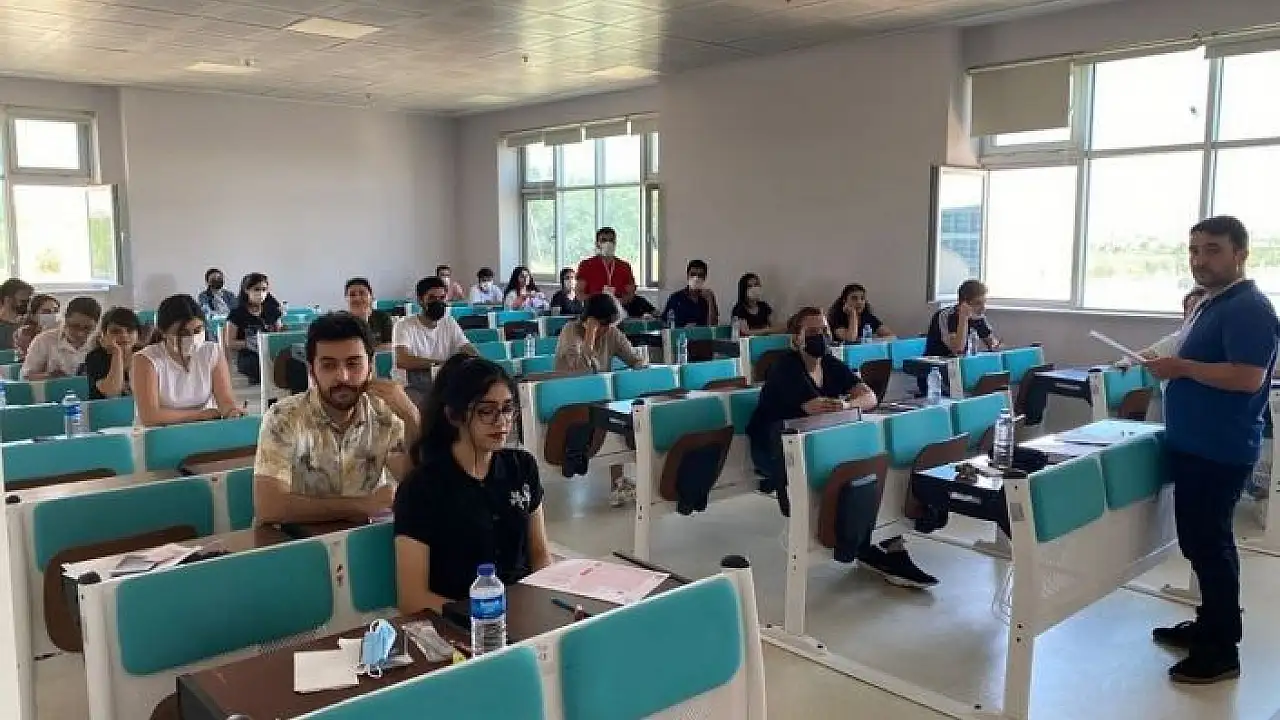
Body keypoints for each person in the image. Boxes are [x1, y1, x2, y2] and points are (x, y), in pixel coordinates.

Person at [1146, 216, 1280, 684]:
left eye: (1213, 250)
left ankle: (1222, 650)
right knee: (1201, 543)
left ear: (1240, 254)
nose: (1200, 260)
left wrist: (1180, 367)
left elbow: (1248, 377)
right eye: (1194, 250)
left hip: (1219, 448)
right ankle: (1210, 624)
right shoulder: (1211, 302)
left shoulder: (1249, 308)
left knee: (1211, 545)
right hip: (1196, 444)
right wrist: (1172, 364)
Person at [746, 307, 936, 588]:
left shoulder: (830, 364)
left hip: (815, 441)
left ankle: (885, 545)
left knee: (873, 464)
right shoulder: (785, 368)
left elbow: (869, 397)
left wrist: (847, 404)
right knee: (857, 468)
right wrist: (844, 407)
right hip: (776, 449)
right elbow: (816, 409)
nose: (820, 336)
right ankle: (868, 543)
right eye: (812, 332)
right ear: (796, 339)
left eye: (824, 330)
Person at [392, 355, 552, 613]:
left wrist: (544, 600)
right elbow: (412, 598)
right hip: (459, 620)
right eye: (486, 411)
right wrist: (487, 614)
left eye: (508, 409)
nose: (501, 421)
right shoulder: (422, 487)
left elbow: (540, 554)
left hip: (523, 612)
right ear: (454, 415)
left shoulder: (522, 467)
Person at [254, 313, 420, 525]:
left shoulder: (384, 412)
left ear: (370, 366)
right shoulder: (283, 417)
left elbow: (413, 484)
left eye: (353, 364)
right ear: (312, 371)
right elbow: (269, 507)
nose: (343, 376)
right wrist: (363, 505)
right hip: (294, 539)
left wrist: (412, 418)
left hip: (359, 536)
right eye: (329, 365)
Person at [555, 293, 648, 507]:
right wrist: (590, 334)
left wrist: (641, 366)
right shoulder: (570, 331)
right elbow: (581, 371)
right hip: (570, 399)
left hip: (600, 399)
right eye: (605, 324)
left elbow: (634, 359)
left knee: (625, 414)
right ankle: (616, 482)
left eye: (610, 325)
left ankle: (618, 483)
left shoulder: (611, 333)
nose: (608, 330)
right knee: (609, 411)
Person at [133, 294, 243, 427]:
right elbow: (150, 416)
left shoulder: (212, 352)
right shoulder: (146, 359)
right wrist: (200, 415)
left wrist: (231, 411)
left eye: (198, 330)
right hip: (159, 432)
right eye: (183, 333)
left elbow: (225, 400)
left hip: (203, 428)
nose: (192, 338)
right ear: (163, 332)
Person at [394, 276, 476, 399]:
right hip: (410, 385)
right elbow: (402, 360)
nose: (438, 302)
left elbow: (467, 348)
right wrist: (441, 364)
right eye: (432, 298)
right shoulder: (404, 325)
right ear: (420, 300)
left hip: (442, 381)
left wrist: (477, 361)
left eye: (442, 298)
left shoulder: (449, 322)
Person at [920, 279, 1000, 395]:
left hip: (960, 370)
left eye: (984, 302)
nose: (983, 308)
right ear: (963, 303)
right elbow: (958, 350)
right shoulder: (945, 316)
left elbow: (993, 344)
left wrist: (994, 344)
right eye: (978, 303)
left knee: (992, 385)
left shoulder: (978, 317)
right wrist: (964, 318)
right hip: (936, 373)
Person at [21, 296, 101, 380]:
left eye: (87, 328)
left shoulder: (99, 343)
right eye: (74, 326)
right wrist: (50, 376)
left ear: (96, 325)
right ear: (65, 319)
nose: (80, 333)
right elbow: (26, 376)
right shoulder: (44, 340)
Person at [225, 272, 284, 385]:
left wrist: (282, 331)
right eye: (256, 289)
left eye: (264, 289)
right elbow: (230, 342)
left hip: (271, 352)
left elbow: (279, 333)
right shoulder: (237, 313)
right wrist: (250, 343)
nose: (261, 293)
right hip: (249, 355)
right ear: (246, 290)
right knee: (259, 365)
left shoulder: (272, 310)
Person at [84, 307, 141, 400]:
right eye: (116, 331)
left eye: (130, 330)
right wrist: (117, 353)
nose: (124, 335)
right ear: (104, 334)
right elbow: (112, 393)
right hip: (105, 408)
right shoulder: (95, 357)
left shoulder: (144, 355)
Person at [576, 227, 637, 302]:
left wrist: (617, 303)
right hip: (593, 307)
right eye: (603, 240)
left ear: (615, 243)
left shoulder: (625, 266)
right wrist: (599, 302)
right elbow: (579, 293)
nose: (608, 243)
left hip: (619, 307)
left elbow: (630, 293)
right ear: (597, 244)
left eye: (611, 240)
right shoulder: (586, 265)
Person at [829, 283, 895, 343]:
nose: (859, 302)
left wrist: (870, 341)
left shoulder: (867, 317)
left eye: (862, 298)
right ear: (844, 301)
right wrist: (853, 314)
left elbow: (892, 337)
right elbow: (850, 338)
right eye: (854, 298)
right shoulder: (836, 318)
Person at [662, 259, 719, 327]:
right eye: (693, 274)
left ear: (705, 278)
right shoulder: (675, 298)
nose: (696, 278)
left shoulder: (708, 297)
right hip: (681, 333)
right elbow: (665, 323)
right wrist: (684, 328)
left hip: (702, 333)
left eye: (700, 275)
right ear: (687, 276)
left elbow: (714, 325)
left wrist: (710, 301)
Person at [344, 277, 395, 348]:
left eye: (362, 293)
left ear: (371, 297)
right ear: (346, 299)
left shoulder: (382, 317)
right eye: (352, 295)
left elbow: (390, 345)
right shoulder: (341, 320)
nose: (357, 298)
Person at [0, 277, 34, 350]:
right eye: (23, 301)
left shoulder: (30, 324)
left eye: (29, 301)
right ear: (8, 300)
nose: (27, 305)